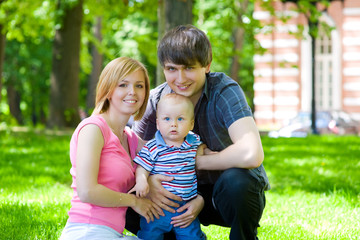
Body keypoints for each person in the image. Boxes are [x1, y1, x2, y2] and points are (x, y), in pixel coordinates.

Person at [126, 25, 270, 240]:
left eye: (189, 68)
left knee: (238, 181)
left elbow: (252, 153)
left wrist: (196, 161)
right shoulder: (156, 100)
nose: (180, 78)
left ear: (207, 65)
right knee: (129, 198)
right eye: (172, 69)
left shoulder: (224, 91)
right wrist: (151, 180)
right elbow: (136, 156)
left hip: (222, 196)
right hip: (175, 196)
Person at [60, 57, 160, 240]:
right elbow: (87, 191)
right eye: (123, 85)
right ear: (108, 90)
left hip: (114, 234)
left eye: (139, 86)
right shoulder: (93, 129)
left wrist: (199, 149)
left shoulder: (129, 137)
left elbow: (164, 151)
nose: (133, 92)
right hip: (87, 231)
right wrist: (134, 201)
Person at [129, 93, 206, 240]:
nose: (174, 124)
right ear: (158, 124)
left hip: (186, 207)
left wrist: (203, 150)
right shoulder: (153, 147)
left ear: (191, 124)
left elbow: (201, 147)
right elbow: (142, 167)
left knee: (191, 236)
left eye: (180, 119)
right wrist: (141, 181)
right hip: (158, 207)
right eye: (167, 119)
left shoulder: (193, 141)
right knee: (150, 234)